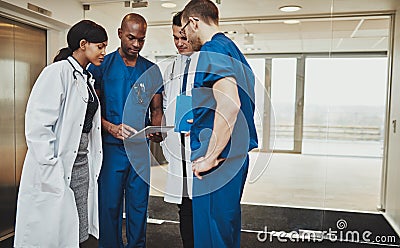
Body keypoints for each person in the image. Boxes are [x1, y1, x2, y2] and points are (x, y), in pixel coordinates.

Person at [14, 20, 108, 247]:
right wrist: (51, 166)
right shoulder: (56, 73)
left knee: (78, 230)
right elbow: (38, 127)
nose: (104, 52)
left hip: (81, 164)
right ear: (83, 44)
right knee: (53, 233)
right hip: (58, 167)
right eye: (100, 46)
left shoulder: (85, 77)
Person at [181, 0, 258, 247]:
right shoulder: (231, 48)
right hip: (233, 158)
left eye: (184, 31)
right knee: (224, 232)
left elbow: (230, 103)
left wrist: (210, 156)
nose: (185, 38)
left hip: (218, 164)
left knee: (211, 237)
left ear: (193, 23)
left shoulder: (212, 49)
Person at [88, 13, 163, 248]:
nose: (136, 44)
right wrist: (110, 127)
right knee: (109, 205)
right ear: (120, 34)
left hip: (140, 150)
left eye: (141, 39)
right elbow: (90, 111)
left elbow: (157, 108)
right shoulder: (101, 67)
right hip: (111, 149)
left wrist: (158, 127)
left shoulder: (151, 70)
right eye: (131, 38)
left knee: (138, 205)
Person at [161, 11, 197, 248]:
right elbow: (165, 103)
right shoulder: (171, 68)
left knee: (201, 206)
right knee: (184, 206)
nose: (180, 43)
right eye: (176, 38)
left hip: (200, 147)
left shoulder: (207, 61)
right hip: (178, 149)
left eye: (184, 37)